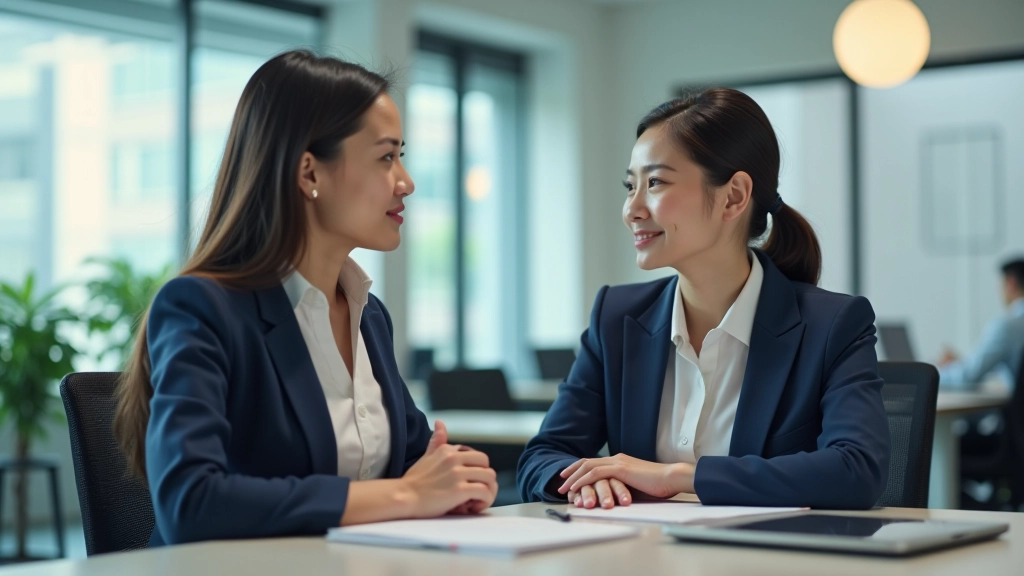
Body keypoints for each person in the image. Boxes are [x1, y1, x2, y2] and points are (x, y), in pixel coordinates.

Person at [113, 50, 497, 547]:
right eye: (386, 157)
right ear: (309, 173)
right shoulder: (201, 307)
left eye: (402, 157)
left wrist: (455, 478)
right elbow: (191, 502)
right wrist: (406, 496)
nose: (406, 181)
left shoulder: (368, 314)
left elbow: (411, 462)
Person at [517, 88, 890, 510]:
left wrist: (677, 477)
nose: (632, 209)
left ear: (733, 196)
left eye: (655, 182)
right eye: (630, 186)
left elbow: (857, 470)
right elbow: (543, 457)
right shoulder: (616, 318)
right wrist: (588, 483)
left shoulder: (832, 325)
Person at [938, 258, 1024, 390]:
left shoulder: (1007, 327)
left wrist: (930, 375)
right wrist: (962, 363)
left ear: (1010, 283)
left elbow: (968, 376)